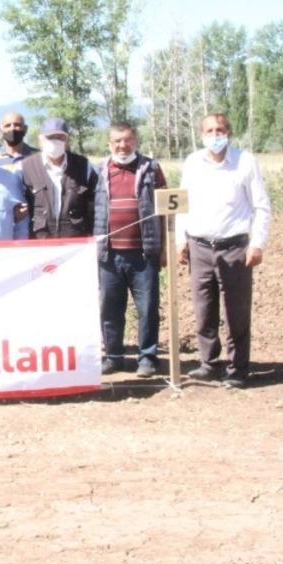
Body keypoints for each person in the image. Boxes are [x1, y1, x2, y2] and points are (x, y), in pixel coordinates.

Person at [176, 113, 272, 388]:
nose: (215, 135)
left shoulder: (245, 162)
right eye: (209, 130)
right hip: (199, 246)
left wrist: (258, 243)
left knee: (236, 311)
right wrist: (180, 241)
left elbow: (262, 206)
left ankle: (238, 368)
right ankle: (209, 363)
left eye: (220, 130)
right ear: (201, 134)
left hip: (235, 248)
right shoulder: (193, 163)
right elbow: (182, 203)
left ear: (229, 132)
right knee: (204, 309)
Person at [94, 121, 167, 378]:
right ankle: (113, 356)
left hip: (143, 254)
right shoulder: (99, 171)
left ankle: (147, 358)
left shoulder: (151, 169)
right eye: (117, 141)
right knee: (110, 308)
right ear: (109, 143)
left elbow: (166, 212)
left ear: (135, 141)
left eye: (127, 140)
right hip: (109, 254)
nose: (122, 145)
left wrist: (164, 249)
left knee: (147, 308)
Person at [20, 117, 97, 239]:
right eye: (50, 137)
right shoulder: (26, 167)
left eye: (60, 137)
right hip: (39, 244)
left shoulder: (84, 166)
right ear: (41, 140)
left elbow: (94, 208)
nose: (55, 141)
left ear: (67, 140)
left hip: (75, 244)